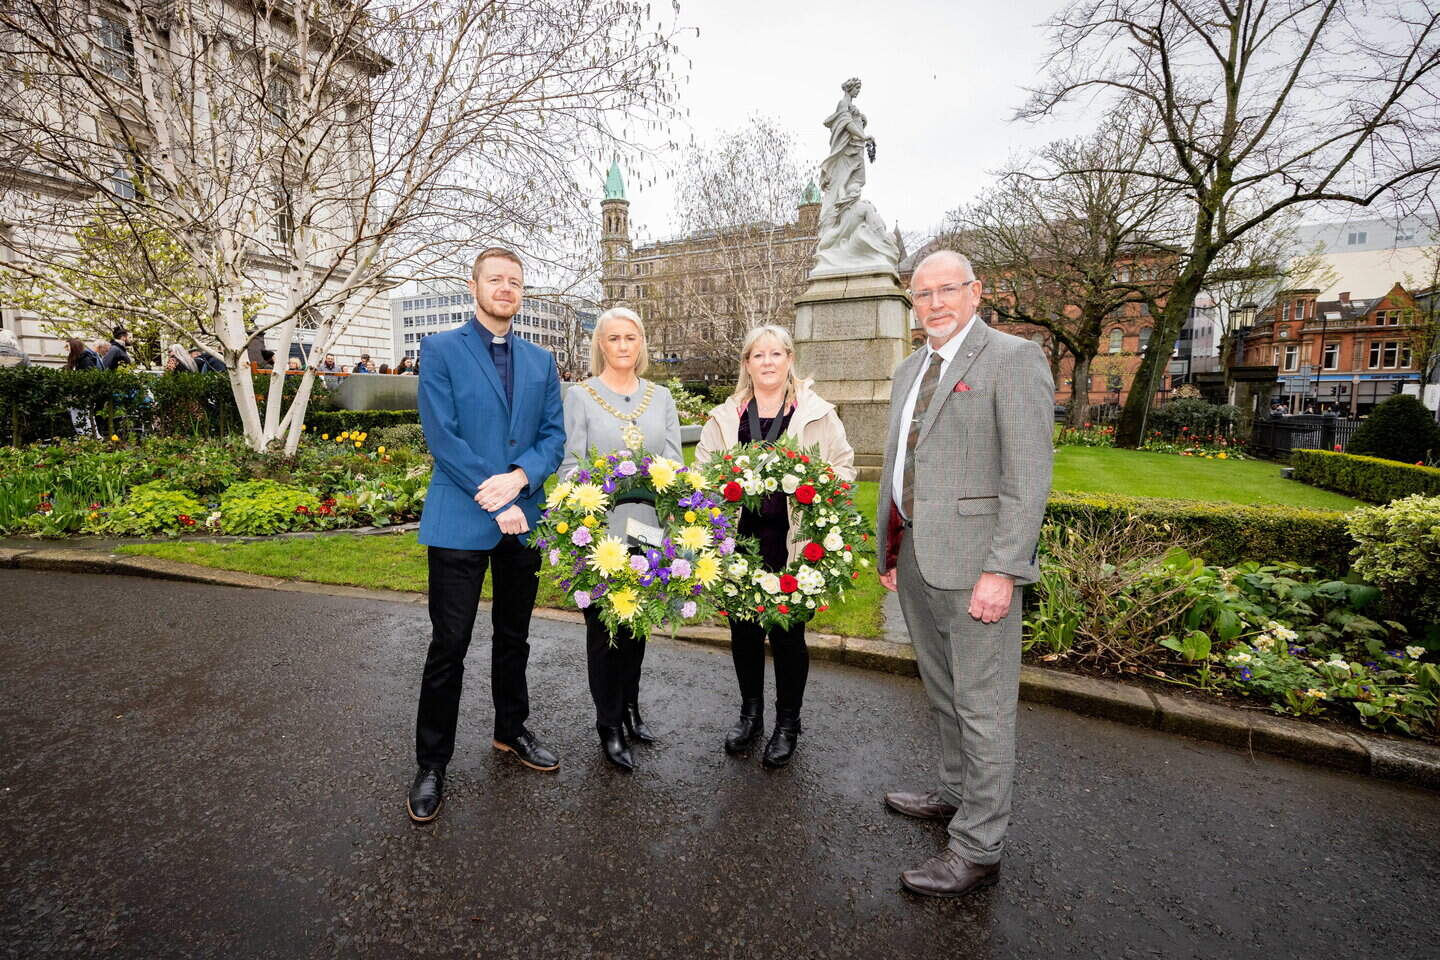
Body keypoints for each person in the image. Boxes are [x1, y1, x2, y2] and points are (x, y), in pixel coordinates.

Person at [875, 250, 1053, 898]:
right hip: (919, 561)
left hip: (978, 569)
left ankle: (979, 846)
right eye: (922, 294)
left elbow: (1028, 478)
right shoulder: (907, 370)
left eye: (948, 289)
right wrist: (890, 551)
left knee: (983, 709)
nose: (936, 303)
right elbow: (900, 469)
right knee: (944, 692)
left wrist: (1003, 569)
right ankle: (953, 793)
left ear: (976, 292)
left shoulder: (1012, 359)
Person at [407, 246, 565, 823]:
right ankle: (431, 763)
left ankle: (510, 730)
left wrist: (523, 478)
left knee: (514, 636)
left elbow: (553, 436)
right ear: (473, 286)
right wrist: (497, 497)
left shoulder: (542, 361)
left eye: (515, 282)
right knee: (449, 645)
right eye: (495, 279)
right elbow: (442, 435)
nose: (506, 288)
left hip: (524, 519)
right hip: (462, 518)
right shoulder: (442, 350)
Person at [694, 325, 856, 768]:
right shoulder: (725, 417)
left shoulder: (817, 413)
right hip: (740, 543)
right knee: (744, 633)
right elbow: (702, 475)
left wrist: (820, 485)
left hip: (794, 544)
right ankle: (751, 714)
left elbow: (843, 467)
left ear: (789, 359)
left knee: (788, 636)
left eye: (775, 354)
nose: (767, 362)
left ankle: (788, 723)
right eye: (757, 355)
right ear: (746, 364)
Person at [559, 307, 681, 772]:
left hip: (649, 526)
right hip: (601, 533)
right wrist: (592, 497)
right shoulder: (582, 395)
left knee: (637, 626)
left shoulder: (661, 396)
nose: (624, 346)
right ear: (601, 345)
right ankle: (608, 724)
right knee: (605, 630)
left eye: (632, 337)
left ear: (642, 343)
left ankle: (630, 708)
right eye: (614, 338)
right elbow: (571, 464)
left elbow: (674, 464)